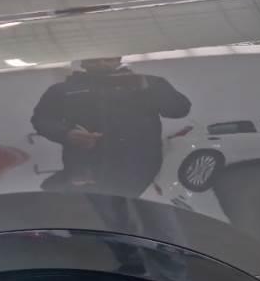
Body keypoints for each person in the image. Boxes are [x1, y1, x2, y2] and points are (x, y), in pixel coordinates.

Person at [32, 57, 191, 197]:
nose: (102, 63)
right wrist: (66, 134)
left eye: (108, 59)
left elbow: (179, 110)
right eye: (94, 60)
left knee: (130, 213)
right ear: (83, 61)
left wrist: (148, 89)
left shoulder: (149, 83)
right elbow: (42, 120)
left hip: (139, 170)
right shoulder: (62, 90)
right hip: (85, 170)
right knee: (90, 214)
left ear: (118, 58)